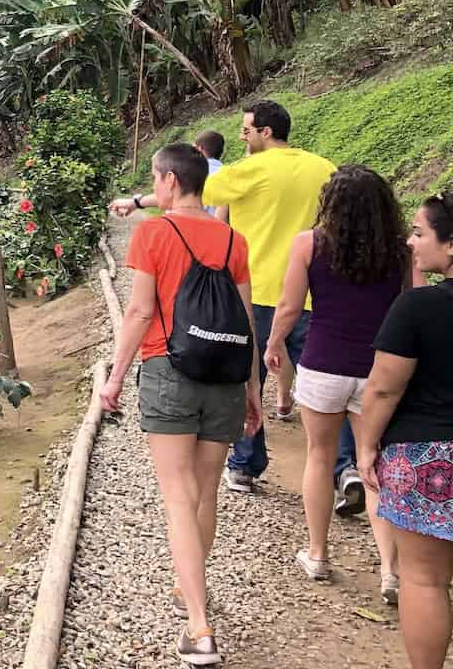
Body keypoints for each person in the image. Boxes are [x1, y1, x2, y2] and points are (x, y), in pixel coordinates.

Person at [108, 103, 342, 496]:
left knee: (247, 374)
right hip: (310, 293)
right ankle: (344, 466)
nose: (242, 136)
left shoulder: (250, 171)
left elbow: (190, 191)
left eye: (247, 130)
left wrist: (136, 201)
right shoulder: (324, 167)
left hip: (261, 287)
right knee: (323, 381)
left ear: (266, 133)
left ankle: (247, 464)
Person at [101, 143, 260, 667]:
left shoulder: (153, 232)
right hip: (224, 378)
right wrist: (253, 390)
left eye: (155, 178)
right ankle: (191, 587)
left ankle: (198, 625)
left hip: (169, 370)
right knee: (205, 492)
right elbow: (245, 321)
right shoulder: (233, 239)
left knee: (176, 496)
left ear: (169, 182)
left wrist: (115, 378)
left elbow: (140, 311)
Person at [263, 165, 414, 601]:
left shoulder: (309, 244)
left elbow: (290, 306)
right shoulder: (401, 252)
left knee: (319, 454)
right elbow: (410, 306)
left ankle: (318, 553)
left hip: (323, 363)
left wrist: (273, 344)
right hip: (379, 370)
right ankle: (391, 570)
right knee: (374, 464)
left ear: (330, 203)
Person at [358, 191, 453, 669]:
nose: (411, 243)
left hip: (428, 460)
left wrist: (366, 445)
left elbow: (382, 390)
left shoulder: (418, 308)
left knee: (424, 579)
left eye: (419, 233)